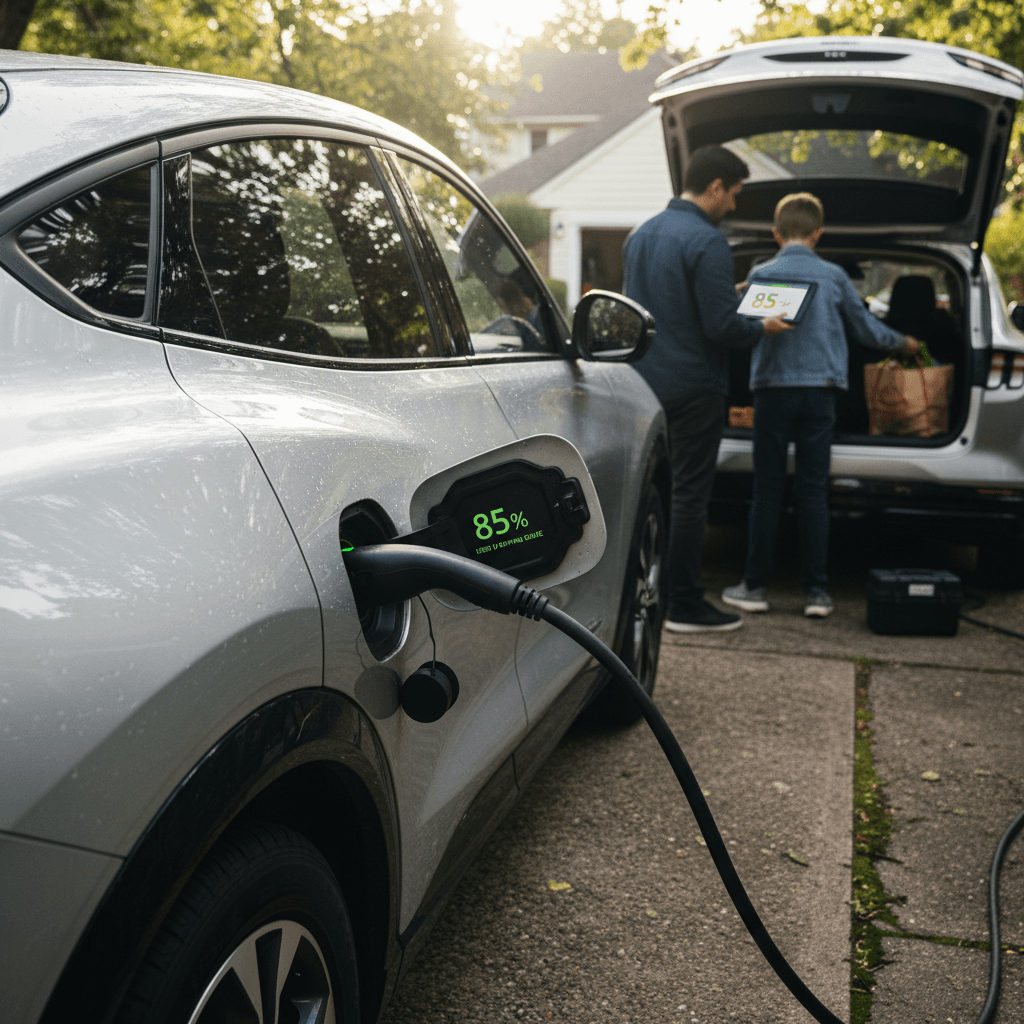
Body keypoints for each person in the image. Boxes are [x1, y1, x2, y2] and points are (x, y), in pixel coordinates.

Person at [721, 192, 919, 619]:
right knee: (813, 490)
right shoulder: (833, 276)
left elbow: (738, 324)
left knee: (767, 488)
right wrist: (902, 342)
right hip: (821, 393)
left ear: (776, 234)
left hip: (772, 391)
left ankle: (754, 587)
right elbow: (865, 330)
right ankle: (817, 593)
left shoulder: (761, 273)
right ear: (818, 234)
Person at [624, 146, 792, 632]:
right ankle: (685, 605)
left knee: (653, 494)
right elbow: (721, 327)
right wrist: (764, 326)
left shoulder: (641, 235)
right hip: (695, 389)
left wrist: (732, 293)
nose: (734, 204)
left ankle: (648, 596)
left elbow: (660, 305)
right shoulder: (708, 241)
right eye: (733, 193)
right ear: (715, 187)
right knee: (689, 498)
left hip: (645, 386)